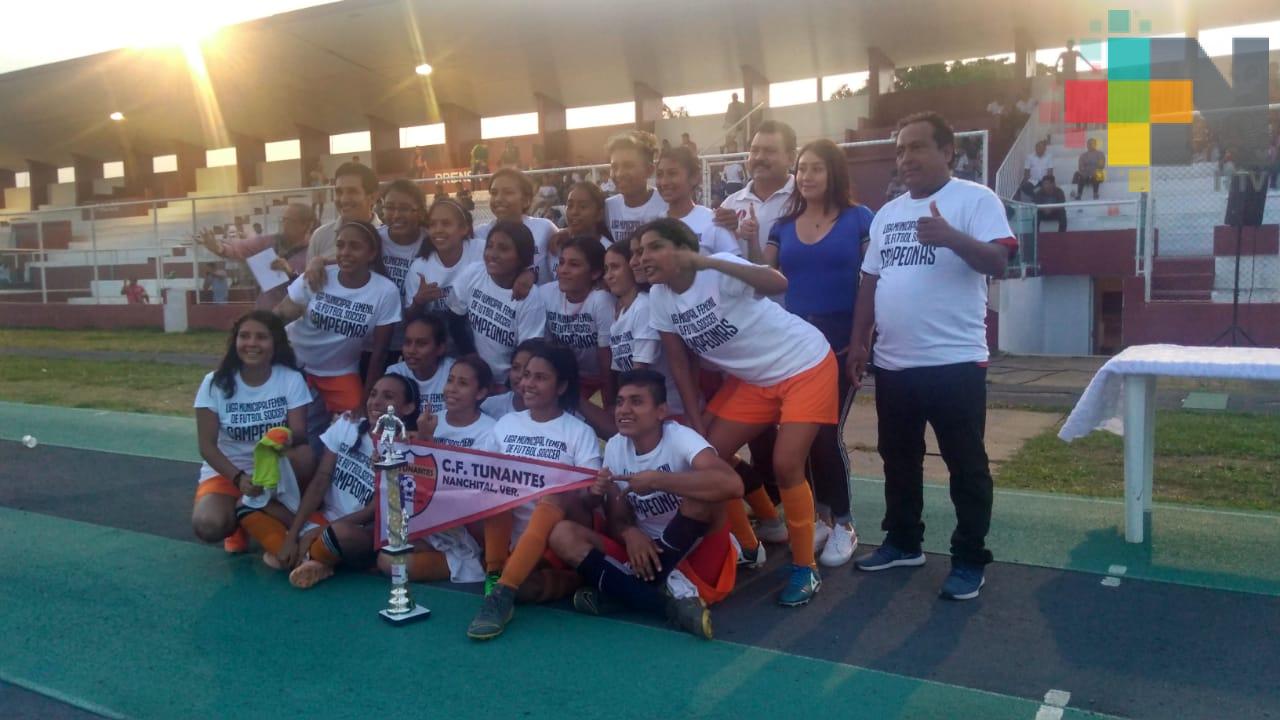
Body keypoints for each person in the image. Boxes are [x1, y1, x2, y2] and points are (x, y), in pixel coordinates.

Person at [849, 111, 1015, 601]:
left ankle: (968, 558)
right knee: (898, 460)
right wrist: (859, 342)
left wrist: (952, 238)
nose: (906, 158)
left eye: (917, 147)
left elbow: (999, 262)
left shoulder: (974, 200)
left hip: (955, 362)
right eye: (900, 150)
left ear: (948, 153)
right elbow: (870, 282)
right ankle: (903, 542)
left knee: (966, 464)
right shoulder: (887, 214)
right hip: (895, 363)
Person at [638, 217, 836, 606]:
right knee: (709, 459)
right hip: (754, 380)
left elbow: (778, 283)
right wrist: (697, 428)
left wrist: (709, 262)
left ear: (683, 250)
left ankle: (804, 567)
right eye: (640, 250)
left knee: (786, 464)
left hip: (804, 364)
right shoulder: (660, 297)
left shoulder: (719, 269)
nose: (644, 257)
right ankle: (751, 542)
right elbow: (679, 365)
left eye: (654, 246)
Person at [547, 369, 741, 638]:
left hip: (698, 552)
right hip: (645, 554)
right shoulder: (615, 447)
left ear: (661, 411)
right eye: (620, 401)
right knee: (562, 534)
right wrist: (630, 533)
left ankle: (623, 593)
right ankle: (666, 606)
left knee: (704, 496)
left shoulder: (680, 438)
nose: (624, 409)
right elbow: (618, 518)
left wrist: (658, 480)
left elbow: (732, 485)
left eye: (636, 401)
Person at [764, 138, 874, 568]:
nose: (806, 176)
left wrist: (862, 342)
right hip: (794, 346)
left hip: (842, 341)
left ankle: (844, 522)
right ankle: (821, 517)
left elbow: (872, 279)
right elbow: (764, 277)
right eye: (801, 168)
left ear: (834, 174)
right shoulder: (783, 224)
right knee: (799, 437)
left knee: (826, 435)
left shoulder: (859, 219)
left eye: (816, 169)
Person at [467, 343, 603, 639]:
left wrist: (593, 491)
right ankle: (500, 576)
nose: (527, 383)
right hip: (511, 541)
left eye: (540, 377)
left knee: (555, 491)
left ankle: (500, 594)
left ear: (561, 386)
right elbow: (479, 476)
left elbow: (589, 500)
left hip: (559, 533)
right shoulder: (506, 424)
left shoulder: (578, 431)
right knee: (496, 480)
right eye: (526, 375)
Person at [282, 374, 422, 589]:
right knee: (255, 504)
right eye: (373, 394)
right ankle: (317, 559)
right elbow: (321, 479)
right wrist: (294, 533)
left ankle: (310, 554)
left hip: (361, 531)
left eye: (388, 397)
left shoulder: (408, 449)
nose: (376, 402)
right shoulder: (348, 424)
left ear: (408, 408)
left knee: (339, 534)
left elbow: (375, 509)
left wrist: (317, 531)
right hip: (324, 518)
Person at [192, 311, 314, 554]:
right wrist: (238, 478)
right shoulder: (214, 382)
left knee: (305, 455)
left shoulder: (290, 379)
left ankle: (258, 510)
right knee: (208, 525)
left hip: (274, 469)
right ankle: (241, 516)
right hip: (230, 471)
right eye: (244, 336)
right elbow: (207, 446)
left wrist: (282, 438)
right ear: (235, 341)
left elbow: (300, 433)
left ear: (275, 343)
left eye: (261, 337)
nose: (252, 344)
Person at [276, 220, 402, 422]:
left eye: (355, 246)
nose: (345, 252)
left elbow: (379, 353)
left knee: (356, 425)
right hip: (295, 363)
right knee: (287, 426)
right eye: (340, 245)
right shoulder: (318, 275)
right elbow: (279, 316)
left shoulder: (385, 291)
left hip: (339, 373)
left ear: (371, 254)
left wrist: (365, 399)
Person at [383, 355, 494, 583]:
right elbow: (414, 478)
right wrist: (421, 437)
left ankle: (476, 564)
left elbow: (475, 489)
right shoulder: (430, 420)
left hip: (467, 525)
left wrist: (426, 440)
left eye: (462, 383)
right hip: (428, 520)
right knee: (386, 556)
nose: (452, 389)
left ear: (481, 393)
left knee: (397, 565)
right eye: (450, 380)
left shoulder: (492, 430)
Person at [446, 221, 548, 384]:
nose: (492, 254)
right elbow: (455, 321)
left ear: (522, 256)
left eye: (504, 249)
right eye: (490, 246)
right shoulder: (473, 273)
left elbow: (527, 354)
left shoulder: (531, 299)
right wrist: (473, 362)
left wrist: (506, 386)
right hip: (473, 374)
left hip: (508, 382)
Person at [602, 241, 684, 421]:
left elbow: (640, 373)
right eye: (606, 269)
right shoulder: (621, 311)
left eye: (615, 267)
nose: (608, 276)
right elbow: (622, 371)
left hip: (667, 411)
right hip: (640, 407)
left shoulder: (644, 306)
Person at [539, 236, 616, 407]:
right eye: (561, 262)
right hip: (565, 377)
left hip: (598, 380)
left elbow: (606, 359)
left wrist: (609, 404)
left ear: (595, 273)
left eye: (574, 265)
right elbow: (544, 348)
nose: (563, 270)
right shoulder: (545, 294)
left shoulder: (601, 300)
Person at [199, 203, 313, 310]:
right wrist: (219, 248)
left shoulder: (314, 250)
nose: (284, 224)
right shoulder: (269, 241)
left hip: (296, 318)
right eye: (282, 220)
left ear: (306, 225)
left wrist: (291, 273)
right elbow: (241, 247)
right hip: (266, 313)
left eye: (289, 221)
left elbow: (315, 286)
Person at [721, 120, 799, 264]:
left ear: (791, 158)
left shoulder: (804, 201)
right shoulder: (730, 204)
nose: (759, 157)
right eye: (754, 150)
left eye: (769, 151)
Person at [473, 168, 557, 285]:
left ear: (526, 200)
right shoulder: (479, 234)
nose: (498, 199)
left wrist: (566, 232)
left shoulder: (545, 228)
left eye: (508, 192)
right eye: (494, 193)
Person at [657, 146, 740, 257]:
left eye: (672, 174)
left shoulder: (714, 221)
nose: (664, 182)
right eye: (659, 174)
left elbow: (737, 266)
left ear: (694, 177)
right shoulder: (655, 223)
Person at [305, 162, 383, 265]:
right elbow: (308, 279)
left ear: (372, 197)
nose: (344, 199)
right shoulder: (320, 237)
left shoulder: (387, 238)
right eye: (339, 192)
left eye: (352, 191)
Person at [603, 130, 668, 246]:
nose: (619, 174)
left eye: (628, 166)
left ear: (649, 170)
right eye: (614, 167)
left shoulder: (667, 205)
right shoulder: (607, 207)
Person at [387, 313, 455, 418]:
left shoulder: (454, 371)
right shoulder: (395, 374)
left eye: (421, 344)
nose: (411, 350)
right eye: (407, 342)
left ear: (440, 348)